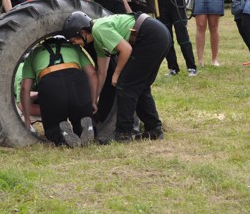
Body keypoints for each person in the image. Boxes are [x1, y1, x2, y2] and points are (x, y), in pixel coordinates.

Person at [63, 11, 170, 143]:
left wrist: (117, 73)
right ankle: (154, 129)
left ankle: (123, 134)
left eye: (75, 40)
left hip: (151, 36)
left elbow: (126, 50)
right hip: (158, 35)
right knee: (140, 87)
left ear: (83, 32)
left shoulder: (99, 29)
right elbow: (102, 73)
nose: (76, 44)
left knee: (125, 86)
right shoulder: (98, 42)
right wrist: (94, 100)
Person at [20, 37, 98, 147]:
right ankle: (85, 127)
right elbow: (92, 73)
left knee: (53, 125)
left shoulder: (34, 53)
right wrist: (93, 101)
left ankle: (61, 134)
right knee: (82, 115)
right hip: (77, 80)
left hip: (50, 84)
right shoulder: (74, 47)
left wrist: (27, 119)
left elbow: (25, 88)